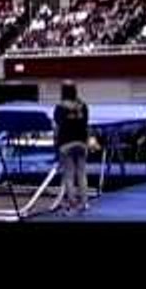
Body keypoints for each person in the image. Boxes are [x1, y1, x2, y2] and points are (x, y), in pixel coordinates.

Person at [53, 81, 90, 215]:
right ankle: (85, 202)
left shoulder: (60, 107)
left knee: (69, 175)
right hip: (81, 142)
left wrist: (56, 145)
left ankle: (73, 203)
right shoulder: (83, 105)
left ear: (63, 92)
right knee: (81, 173)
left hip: (66, 144)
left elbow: (57, 127)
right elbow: (86, 124)